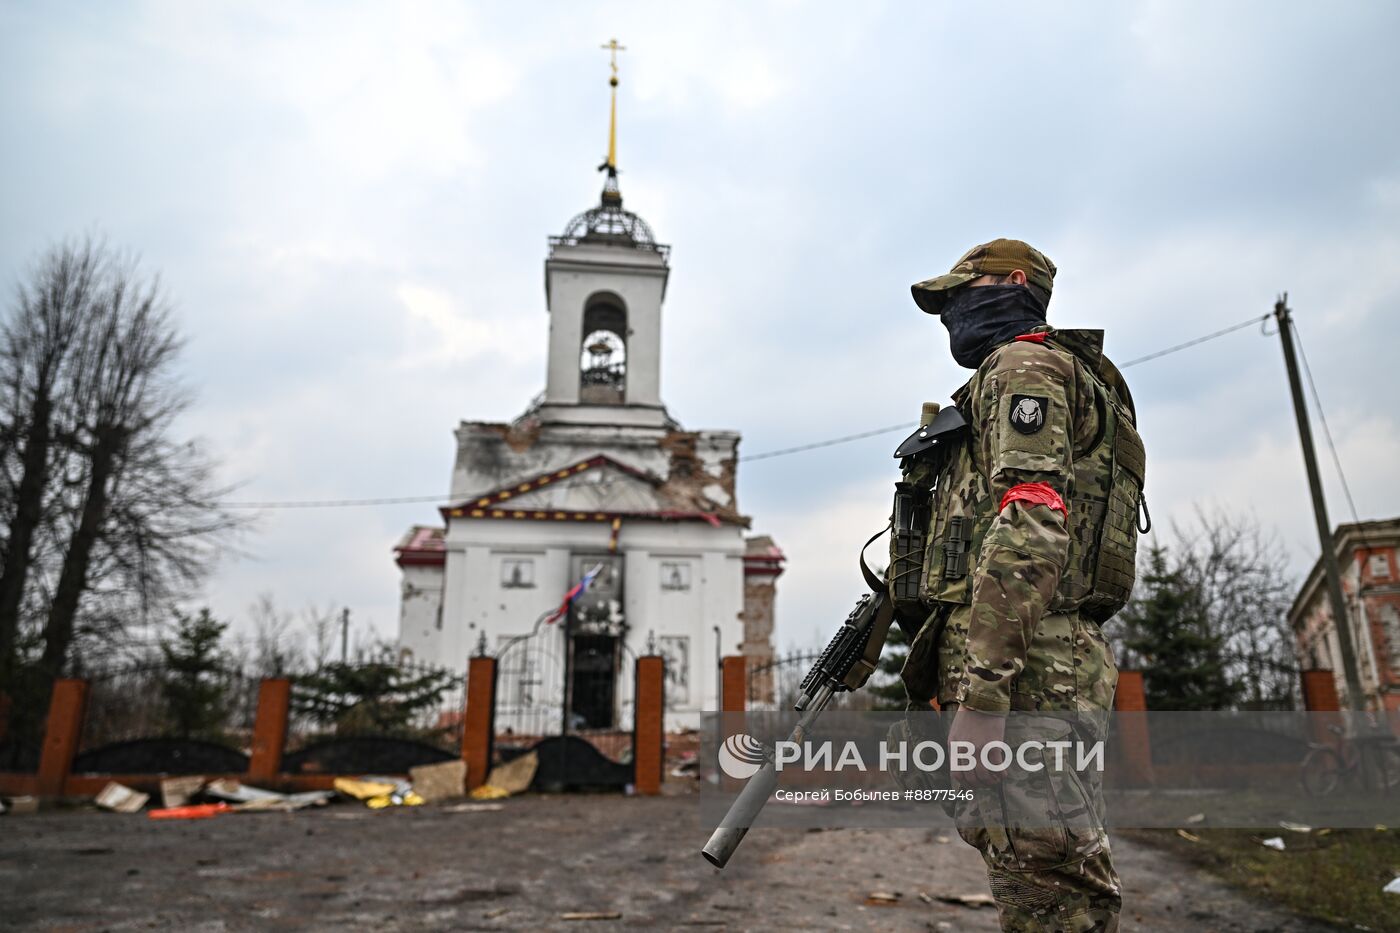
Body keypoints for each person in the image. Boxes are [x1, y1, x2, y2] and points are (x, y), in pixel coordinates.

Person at [898, 239, 1147, 932]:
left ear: (1014, 282)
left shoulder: (1026, 366)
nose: (952, 313)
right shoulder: (1019, 374)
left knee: (1051, 887)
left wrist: (984, 697)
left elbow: (1033, 521)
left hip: (1029, 672)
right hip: (1030, 664)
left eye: (962, 293)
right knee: (1033, 872)